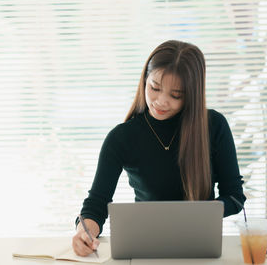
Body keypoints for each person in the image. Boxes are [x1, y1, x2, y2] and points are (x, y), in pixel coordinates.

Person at [72, 40, 246, 256]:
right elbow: (96, 204)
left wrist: (203, 214)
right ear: (145, 78)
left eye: (176, 95)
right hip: (145, 249)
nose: (161, 102)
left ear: (192, 94)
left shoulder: (213, 126)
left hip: (200, 249)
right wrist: (85, 232)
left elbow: (235, 197)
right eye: (154, 88)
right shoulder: (122, 137)